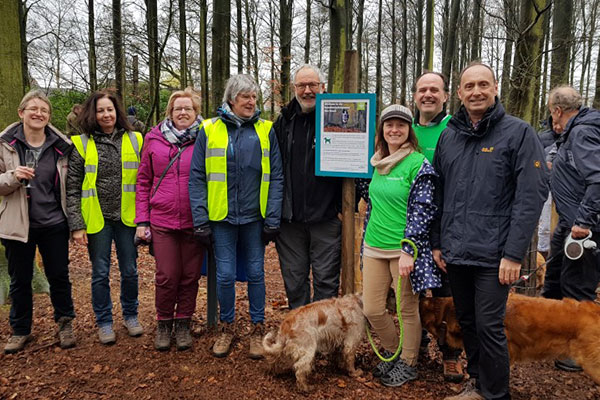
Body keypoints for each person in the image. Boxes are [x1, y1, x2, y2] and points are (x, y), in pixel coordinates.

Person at [432, 63, 548, 400]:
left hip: (495, 256)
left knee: (489, 326)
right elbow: (440, 192)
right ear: (459, 93)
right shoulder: (449, 135)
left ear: (495, 88)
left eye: (483, 84)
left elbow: (531, 195)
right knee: (467, 322)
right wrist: (438, 243)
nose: (476, 92)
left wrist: (513, 253)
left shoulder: (518, 133)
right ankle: (479, 384)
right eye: (469, 86)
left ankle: (496, 394)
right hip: (456, 252)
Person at [189, 74, 283, 359]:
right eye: (245, 97)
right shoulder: (209, 129)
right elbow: (197, 177)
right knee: (226, 276)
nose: (251, 102)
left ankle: (257, 329)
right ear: (231, 100)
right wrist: (201, 220)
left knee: (256, 274)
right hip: (222, 219)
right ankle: (226, 327)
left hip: (256, 217)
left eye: (254, 97)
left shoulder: (267, 130)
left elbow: (276, 176)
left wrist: (274, 219)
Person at [362, 104, 441, 387]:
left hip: (403, 250)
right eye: (389, 125)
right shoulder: (377, 161)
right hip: (373, 246)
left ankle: (408, 362)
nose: (394, 130)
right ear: (382, 130)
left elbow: (424, 209)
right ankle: (394, 350)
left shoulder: (417, 163)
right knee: (371, 308)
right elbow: (371, 200)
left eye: (401, 125)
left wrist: (409, 249)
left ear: (409, 130)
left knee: (407, 309)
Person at [0, 90, 76, 354]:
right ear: (21, 113)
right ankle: (20, 330)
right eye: (33, 109)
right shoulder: (5, 144)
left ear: (49, 116)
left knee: (59, 275)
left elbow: (71, 185)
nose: (38, 114)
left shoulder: (61, 146)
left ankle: (65, 323)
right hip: (16, 224)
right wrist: (12, 176)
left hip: (53, 222)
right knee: (19, 279)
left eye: (44, 110)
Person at [66, 90, 144, 345]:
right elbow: (74, 187)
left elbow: (145, 181)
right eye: (100, 110)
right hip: (97, 220)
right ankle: (104, 322)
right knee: (100, 273)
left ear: (117, 112)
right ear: (93, 113)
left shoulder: (135, 140)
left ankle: (131, 315)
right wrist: (77, 225)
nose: (105, 114)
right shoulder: (82, 144)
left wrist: (146, 217)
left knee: (130, 271)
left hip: (127, 218)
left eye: (109, 109)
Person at [135, 88, 205, 352]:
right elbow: (143, 181)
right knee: (167, 275)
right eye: (178, 109)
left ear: (196, 112)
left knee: (189, 276)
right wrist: (142, 220)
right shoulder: (153, 140)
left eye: (188, 108)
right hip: (162, 220)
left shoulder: (205, 139)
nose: (183, 112)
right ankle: (164, 323)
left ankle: (183, 323)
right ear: (170, 112)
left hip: (194, 220)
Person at [273, 64, 342, 310]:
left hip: (326, 217)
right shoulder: (283, 122)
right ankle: (301, 335)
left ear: (323, 87)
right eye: (302, 85)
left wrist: (347, 205)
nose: (307, 90)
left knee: (326, 281)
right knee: (294, 281)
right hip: (290, 221)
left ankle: (324, 338)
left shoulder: (336, 118)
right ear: (294, 89)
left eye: (313, 85)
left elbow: (354, 163)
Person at [541, 86, 600, 372]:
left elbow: (598, 179)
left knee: (577, 288)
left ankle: (581, 350)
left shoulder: (582, 133)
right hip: (569, 221)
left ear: (557, 110)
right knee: (553, 279)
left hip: (585, 228)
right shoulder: (571, 133)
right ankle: (548, 336)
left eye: (551, 111)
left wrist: (583, 221)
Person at [412, 71, 464, 382]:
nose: (428, 95)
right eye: (422, 90)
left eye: (435, 90)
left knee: (447, 295)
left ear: (446, 95)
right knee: (411, 292)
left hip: (446, 226)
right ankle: (415, 346)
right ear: (415, 95)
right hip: (410, 229)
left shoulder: (454, 130)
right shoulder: (406, 129)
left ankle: (451, 354)